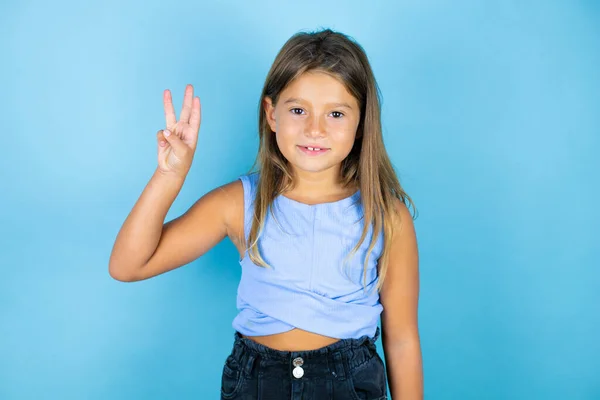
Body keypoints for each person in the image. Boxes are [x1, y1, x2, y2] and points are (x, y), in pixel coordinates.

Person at [109, 28, 423, 400]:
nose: (315, 129)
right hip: (257, 382)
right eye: (298, 110)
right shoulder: (239, 203)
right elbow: (128, 266)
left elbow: (401, 339)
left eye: (336, 113)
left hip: (349, 383)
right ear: (272, 114)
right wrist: (169, 175)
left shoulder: (387, 216)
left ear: (361, 122)